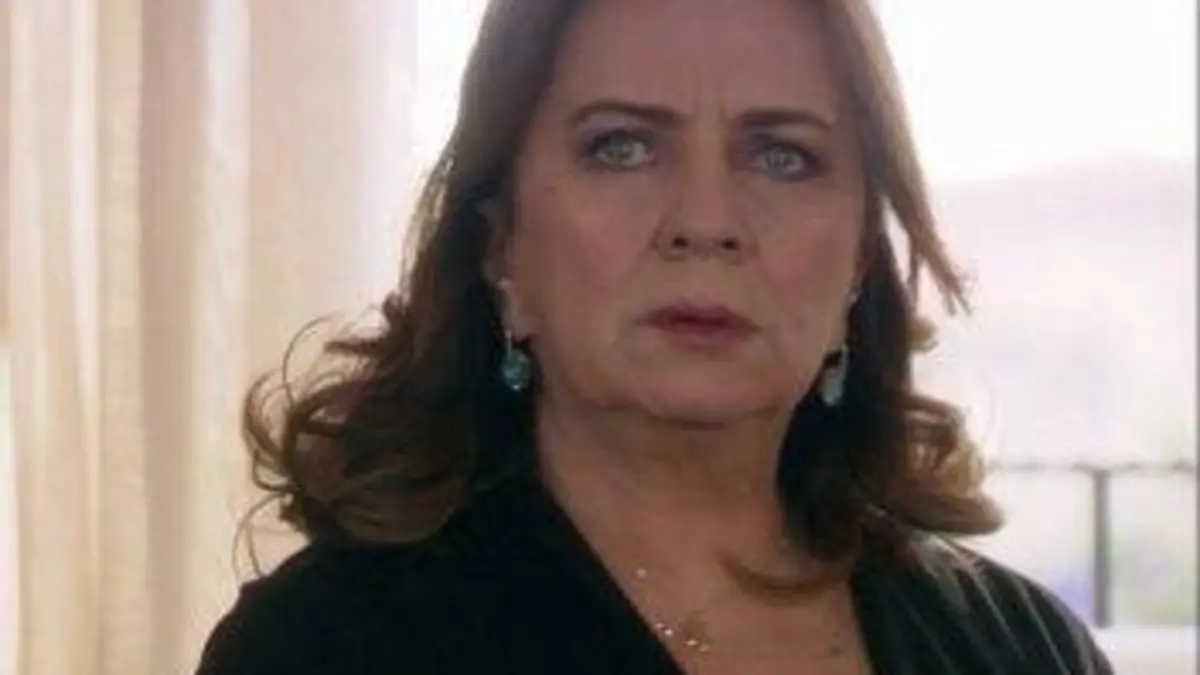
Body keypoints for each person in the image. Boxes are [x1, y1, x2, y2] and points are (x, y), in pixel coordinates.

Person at [196, 0, 1115, 673]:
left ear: (857, 266)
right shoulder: (325, 645)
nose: (706, 221)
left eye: (782, 155)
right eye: (622, 147)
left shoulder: (1020, 647)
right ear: (501, 248)